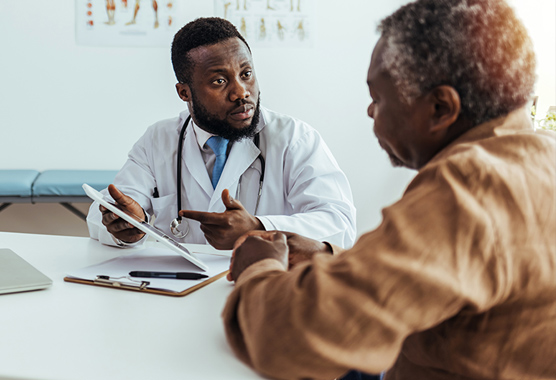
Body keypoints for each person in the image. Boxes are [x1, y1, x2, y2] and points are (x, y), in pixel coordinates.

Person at [221, 0, 556, 379]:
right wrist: (328, 255)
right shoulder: (542, 153)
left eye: (378, 98)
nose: (369, 111)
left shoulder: (467, 188)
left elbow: (286, 338)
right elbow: (448, 270)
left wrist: (258, 267)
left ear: (440, 108)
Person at [87, 17, 356, 250]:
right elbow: (108, 211)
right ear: (184, 92)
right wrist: (124, 226)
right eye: (220, 81)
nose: (241, 92)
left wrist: (259, 227)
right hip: (180, 291)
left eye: (246, 73)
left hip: (264, 288)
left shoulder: (295, 139)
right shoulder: (159, 140)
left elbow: (339, 223)